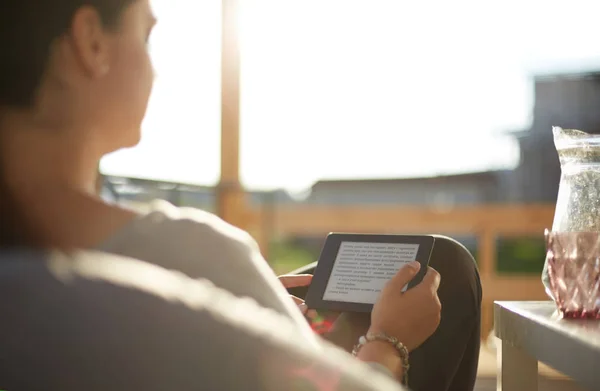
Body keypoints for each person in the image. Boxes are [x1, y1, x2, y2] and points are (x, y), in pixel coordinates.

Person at [0, 1, 481, 390]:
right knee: (446, 268)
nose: (155, 70)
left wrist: (243, 302)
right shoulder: (197, 252)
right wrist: (388, 341)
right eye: (146, 36)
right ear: (90, 42)